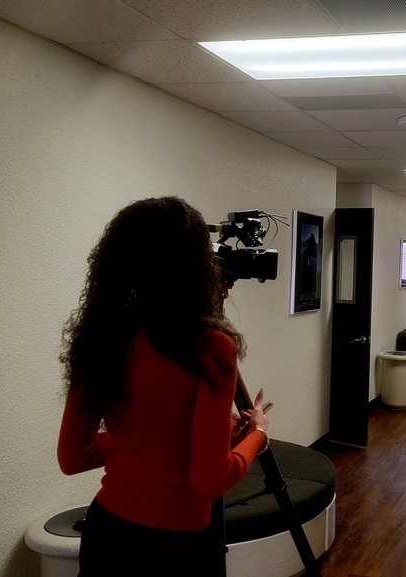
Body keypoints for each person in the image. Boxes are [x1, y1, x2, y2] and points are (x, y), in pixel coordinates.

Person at [57, 196, 270, 576]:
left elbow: (73, 457)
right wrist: (257, 433)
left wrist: (152, 440)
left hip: (107, 534)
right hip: (179, 545)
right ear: (197, 263)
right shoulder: (211, 347)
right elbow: (210, 481)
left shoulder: (101, 338)